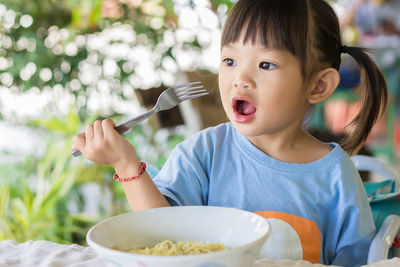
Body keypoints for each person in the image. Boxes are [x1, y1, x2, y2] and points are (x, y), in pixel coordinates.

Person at [72, 0, 388, 266]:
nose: (240, 79)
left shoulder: (337, 176)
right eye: (230, 60)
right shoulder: (203, 153)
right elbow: (160, 236)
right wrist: (127, 166)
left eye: (266, 65)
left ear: (317, 85)